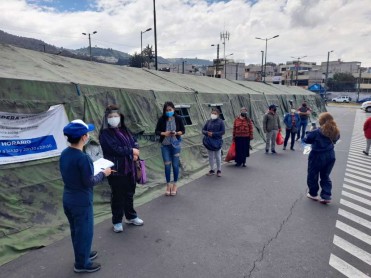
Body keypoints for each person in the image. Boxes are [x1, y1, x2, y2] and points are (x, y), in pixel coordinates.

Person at [60, 119, 112, 273]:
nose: (88, 135)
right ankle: (82, 264)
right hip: (81, 201)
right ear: (83, 137)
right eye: (87, 133)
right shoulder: (83, 158)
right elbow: (89, 182)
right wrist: (103, 173)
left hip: (68, 198)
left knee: (76, 230)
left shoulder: (65, 153)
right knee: (84, 231)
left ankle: (82, 253)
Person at [99, 105, 144, 233]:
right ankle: (117, 221)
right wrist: (131, 151)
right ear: (106, 119)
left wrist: (135, 153)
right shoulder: (105, 134)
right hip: (116, 170)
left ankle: (131, 216)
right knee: (117, 195)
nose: (114, 118)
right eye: (111, 117)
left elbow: (134, 141)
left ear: (120, 117)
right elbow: (113, 149)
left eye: (116, 116)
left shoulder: (125, 130)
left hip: (130, 168)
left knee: (129, 193)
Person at [303, 112, 340, 204]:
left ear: (321, 121)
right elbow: (335, 140)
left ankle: (313, 194)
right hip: (331, 155)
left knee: (313, 175)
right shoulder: (336, 131)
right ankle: (326, 195)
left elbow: (306, 139)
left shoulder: (316, 131)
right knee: (325, 175)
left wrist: (310, 131)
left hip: (317, 156)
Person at [155, 101, 185, 196]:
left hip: (176, 144)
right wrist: (164, 133)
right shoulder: (162, 119)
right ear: (164, 111)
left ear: (173, 109)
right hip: (165, 145)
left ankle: (175, 184)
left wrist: (176, 133)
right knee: (167, 165)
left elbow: (183, 131)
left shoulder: (178, 118)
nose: (168, 111)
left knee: (175, 165)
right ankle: (168, 185)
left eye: (170, 110)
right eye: (167, 110)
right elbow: (156, 131)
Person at [202, 108, 225, 176]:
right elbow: (203, 130)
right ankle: (212, 170)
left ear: (218, 114)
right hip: (209, 142)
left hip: (217, 141)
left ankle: (219, 170)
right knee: (210, 156)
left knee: (218, 156)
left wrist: (213, 134)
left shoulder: (221, 122)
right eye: (212, 113)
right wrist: (207, 133)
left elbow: (223, 132)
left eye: (215, 113)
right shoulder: (208, 121)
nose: (213, 115)